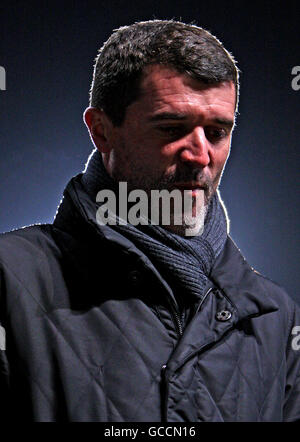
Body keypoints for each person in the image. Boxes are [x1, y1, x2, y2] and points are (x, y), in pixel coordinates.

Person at [0, 19, 299, 422]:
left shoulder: (274, 318)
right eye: (172, 128)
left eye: (216, 132)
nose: (200, 155)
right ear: (102, 132)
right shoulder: (10, 281)